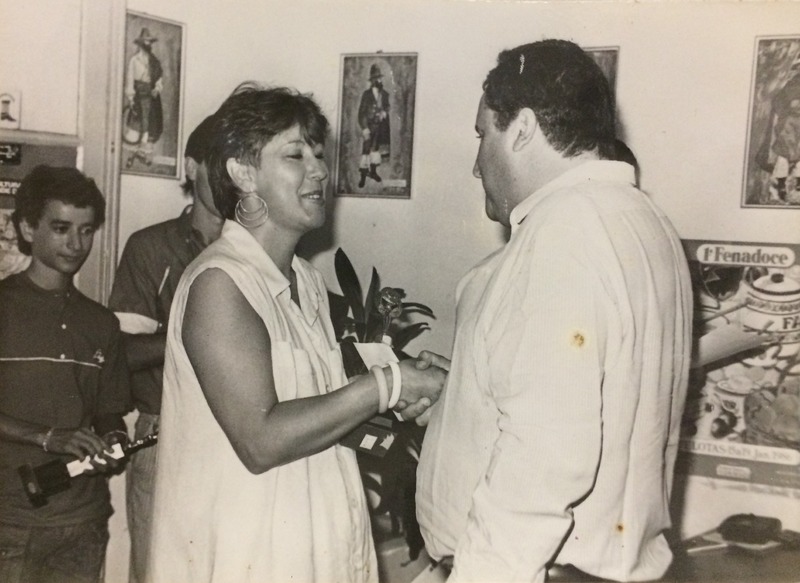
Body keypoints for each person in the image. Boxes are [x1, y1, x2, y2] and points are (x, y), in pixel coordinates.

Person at [415, 40, 693, 582]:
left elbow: (546, 457)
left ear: (522, 128)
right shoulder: (645, 221)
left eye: (482, 134)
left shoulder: (563, 233)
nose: (477, 164)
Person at [147, 85, 446, 583]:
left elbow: (318, 416)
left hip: (318, 548)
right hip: (247, 559)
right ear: (242, 172)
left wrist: (407, 402)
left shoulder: (306, 280)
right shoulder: (220, 283)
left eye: (319, 154)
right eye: (295, 155)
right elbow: (261, 440)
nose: (320, 170)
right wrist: (388, 384)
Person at [0, 165, 131, 583]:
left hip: (83, 523)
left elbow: (109, 411)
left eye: (86, 230)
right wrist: (46, 436)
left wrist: (115, 441)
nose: (76, 244)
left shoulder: (102, 323)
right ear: (27, 227)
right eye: (61, 228)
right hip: (10, 520)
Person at [108, 115, 223, 583]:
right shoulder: (151, 248)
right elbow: (122, 354)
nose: (232, 177)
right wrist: (193, 333)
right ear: (192, 167)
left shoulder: (266, 252)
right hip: (164, 434)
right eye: (219, 163)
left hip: (239, 437)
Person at [124, 27, 164, 164]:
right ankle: (131, 156)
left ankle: (144, 154)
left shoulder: (154, 61)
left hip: (151, 98)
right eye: (146, 41)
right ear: (141, 43)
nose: (149, 44)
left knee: (150, 126)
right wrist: (131, 99)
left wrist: (157, 89)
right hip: (138, 97)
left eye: (150, 42)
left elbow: (159, 78)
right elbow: (130, 80)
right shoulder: (134, 60)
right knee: (136, 126)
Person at [357, 63, 391, 188]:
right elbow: (361, 113)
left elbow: (387, 107)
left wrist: (384, 112)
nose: (380, 80)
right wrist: (364, 128)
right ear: (373, 80)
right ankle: (363, 176)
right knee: (366, 151)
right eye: (378, 78)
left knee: (375, 150)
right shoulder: (366, 94)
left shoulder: (385, 94)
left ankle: (373, 172)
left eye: (380, 78)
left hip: (380, 128)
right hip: (369, 127)